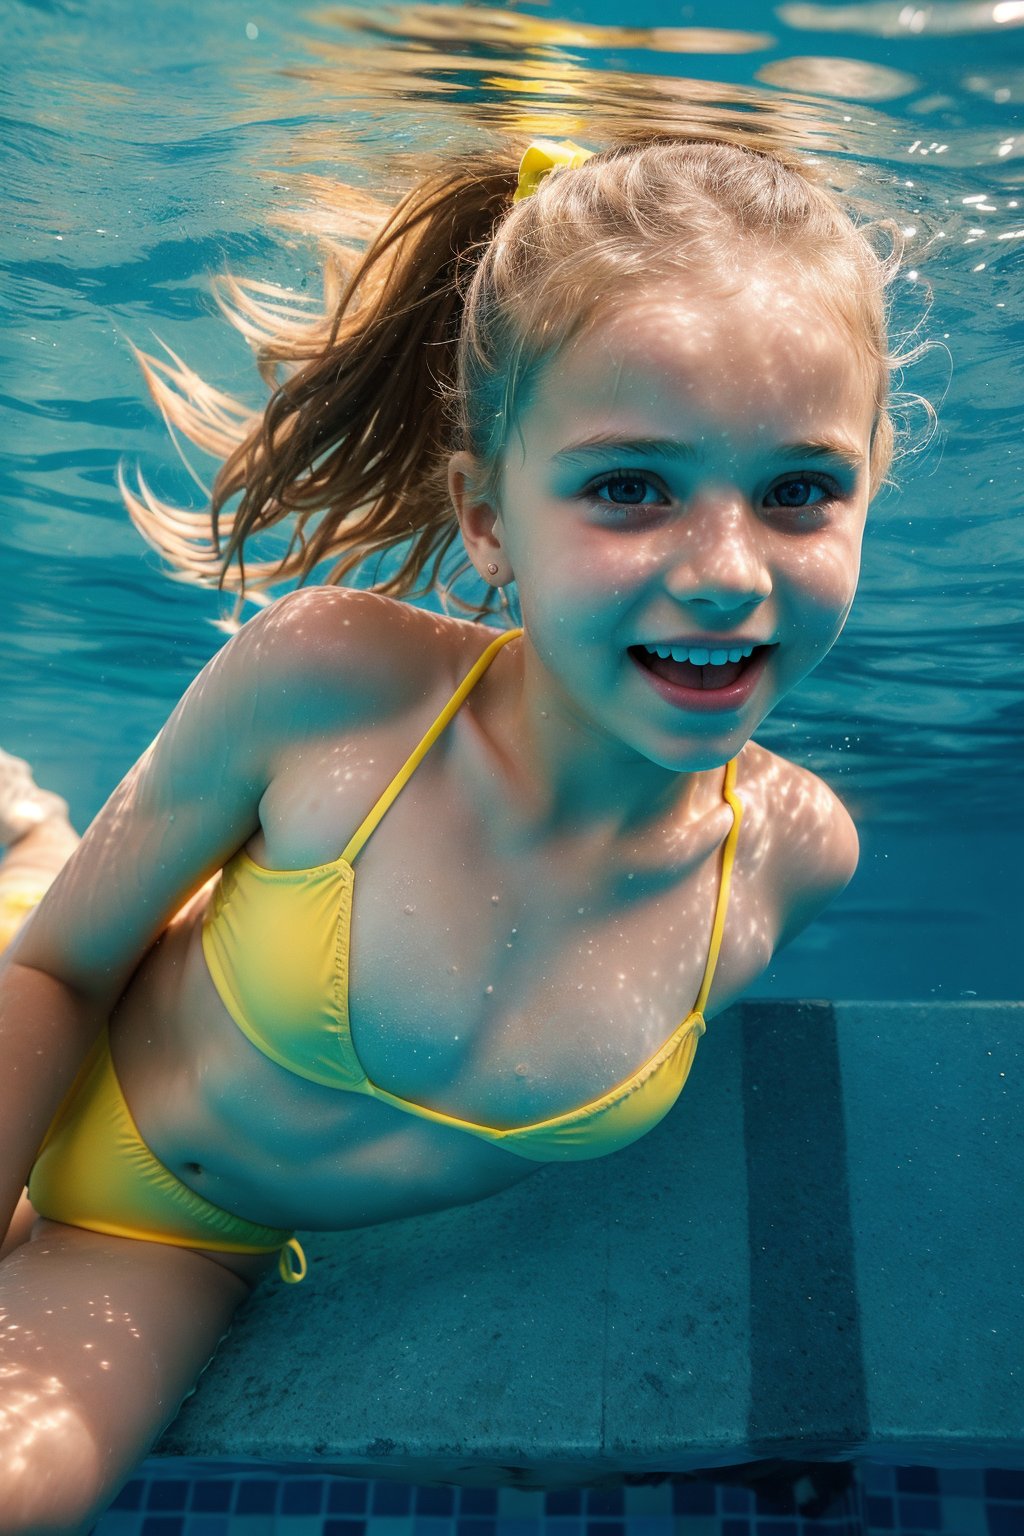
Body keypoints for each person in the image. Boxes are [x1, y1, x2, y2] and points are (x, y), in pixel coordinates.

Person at [0, 130, 922, 1532]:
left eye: (802, 489)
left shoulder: (802, 857)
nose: (729, 572)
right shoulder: (338, 685)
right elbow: (59, 973)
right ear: (487, 519)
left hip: (169, 1233)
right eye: (630, 487)